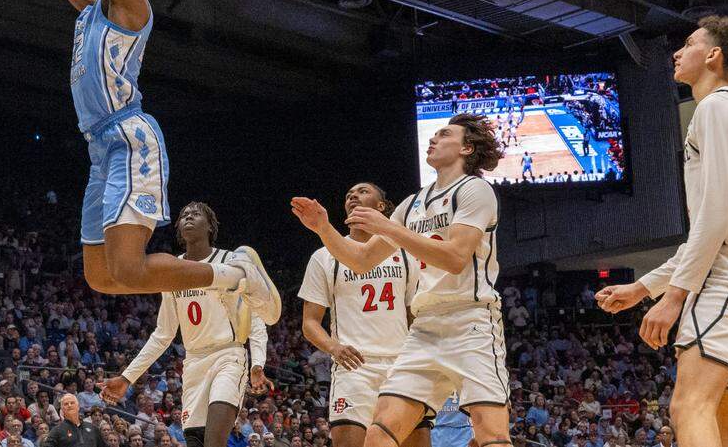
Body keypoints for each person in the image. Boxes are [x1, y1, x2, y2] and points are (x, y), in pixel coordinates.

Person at [44, 0, 280, 321]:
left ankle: (232, 274)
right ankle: (216, 278)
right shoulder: (95, 8)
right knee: (101, 277)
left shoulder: (133, 4)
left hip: (131, 141)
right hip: (100, 148)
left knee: (128, 270)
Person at [595, 16, 728, 447]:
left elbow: (716, 218)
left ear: (714, 55)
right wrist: (645, 287)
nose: (677, 53)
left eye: (688, 44)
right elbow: (712, 226)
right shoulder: (727, 109)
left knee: (689, 406)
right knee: (720, 419)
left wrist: (674, 296)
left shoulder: (717, 107)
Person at [291, 112, 508, 447]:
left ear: (466, 148)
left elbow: (454, 258)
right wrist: (323, 227)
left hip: (470, 322)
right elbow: (360, 260)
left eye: (444, 134)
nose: (433, 139)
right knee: (378, 435)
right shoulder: (413, 204)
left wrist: (388, 227)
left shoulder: (475, 190)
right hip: (423, 329)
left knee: (491, 436)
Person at [100, 203, 272, 447]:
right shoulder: (172, 270)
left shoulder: (230, 260)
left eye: (196, 214)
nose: (188, 217)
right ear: (179, 229)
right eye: (183, 215)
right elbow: (163, 334)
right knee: (195, 441)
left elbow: (255, 317)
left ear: (210, 226)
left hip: (228, 356)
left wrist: (257, 364)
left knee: (214, 441)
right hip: (193, 363)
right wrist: (127, 377)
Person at [296, 183, 429, 447]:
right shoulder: (323, 256)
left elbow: (415, 313)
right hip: (353, 368)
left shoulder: (405, 253)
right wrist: (334, 347)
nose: (353, 196)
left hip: (401, 365)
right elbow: (310, 322)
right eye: (348, 195)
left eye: (363, 191)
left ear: (381, 207)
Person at [40, 395, 106, 447]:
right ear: (62, 410)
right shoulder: (57, 430)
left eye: (72, 403)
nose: (69, 405)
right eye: (66, 404)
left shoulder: (93, 428)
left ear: (78, 407)